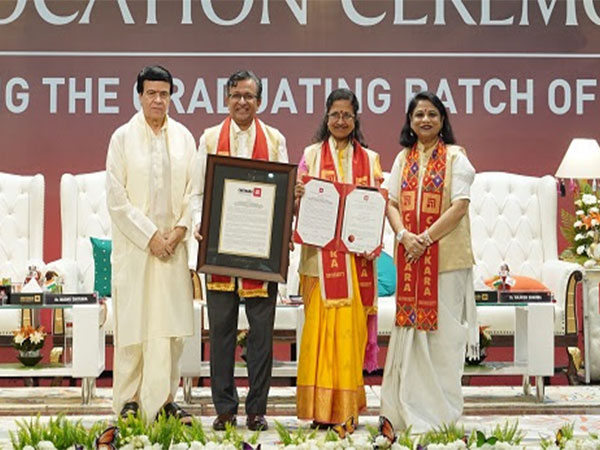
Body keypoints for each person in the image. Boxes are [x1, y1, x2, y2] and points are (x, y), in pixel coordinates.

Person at [195, 70, 288, 431]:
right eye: (236, 95)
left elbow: (281, 193)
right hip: (220, 253)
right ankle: (224, 408)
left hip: (261, 255)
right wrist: (199, 225)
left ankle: (257, 409)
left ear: (259, 101)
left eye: (249, 95)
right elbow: (197, 192)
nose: (242, 102)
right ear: (226, 98)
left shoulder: (275, 139)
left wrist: (285, 228)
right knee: (221, 332)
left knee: (261, 334)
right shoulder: (208, 139)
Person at [380, 91, 478, 432]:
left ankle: (439, 415)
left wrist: (426, 238)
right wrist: (406, 235)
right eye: (419, 114)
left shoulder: (456, 158)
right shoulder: (401, 160)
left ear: (442, 120)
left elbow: (460, 205)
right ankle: (403, 410)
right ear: (409, 121)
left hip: (447, 261)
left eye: (432, 114)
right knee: (410, 335)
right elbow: (390, 202)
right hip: (410, 257)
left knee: (443, 339)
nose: (425, 120)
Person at [106, 65, 199, 424]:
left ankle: (163, 401)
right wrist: (150, 237)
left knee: (169, 330)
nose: (158, 100)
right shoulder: (121, 139)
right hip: (137, 250)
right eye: (151, 93)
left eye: (164, 93)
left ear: (171, 96)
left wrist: (176, 233)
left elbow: (194, 193)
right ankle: (129, 401)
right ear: (140, 96)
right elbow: (117, 199)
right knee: (134, 326)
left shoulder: (184, 138)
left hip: (173, 249)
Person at [294, 88, 383, 428]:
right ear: (326, 117)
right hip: (319, 262)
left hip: (356, 262)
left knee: (348, 337)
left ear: (355, 118)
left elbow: (376, 208)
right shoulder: (310, 156)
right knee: (319, 336)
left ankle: (346, 410)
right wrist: (299, 195)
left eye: (347, 115)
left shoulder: (371, 160)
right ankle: (320, 412)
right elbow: (297, 206)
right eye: (335, 115)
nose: (341, 121)